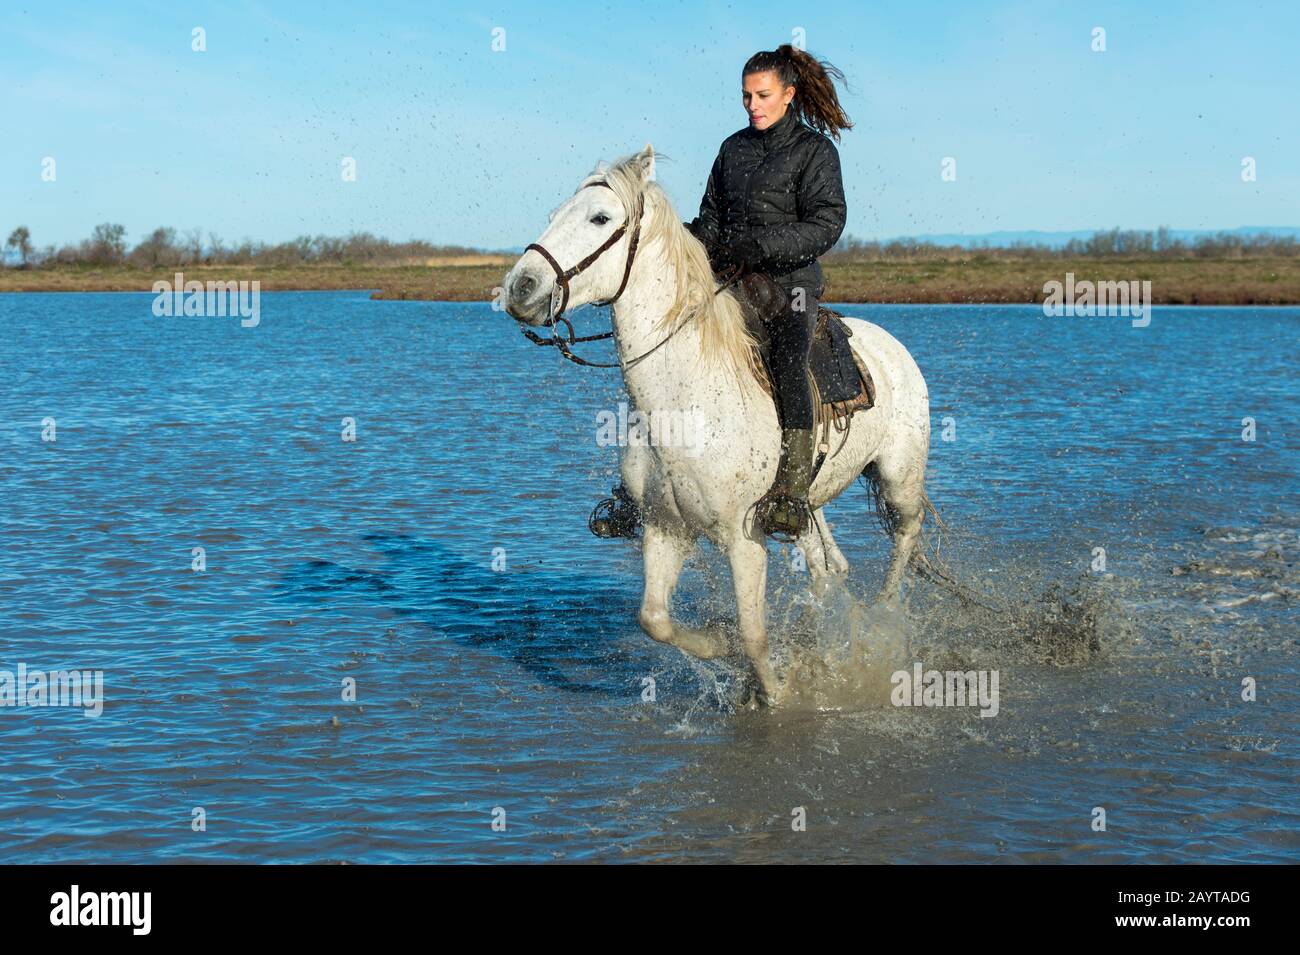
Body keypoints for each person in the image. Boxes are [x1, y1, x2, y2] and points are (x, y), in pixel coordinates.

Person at [591, 43, 851, 541]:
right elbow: (710, 221)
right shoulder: (732, 149)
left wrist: (762, 245)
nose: (753, 105)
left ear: (789, 95)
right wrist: (679, 242)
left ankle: (793, 494)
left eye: (763, 95)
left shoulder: (816, 151)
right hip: (731, 283)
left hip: (790, 288)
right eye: (746, 96)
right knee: (669, 359)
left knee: (788, 362)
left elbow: (826, 222)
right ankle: (636, 490)